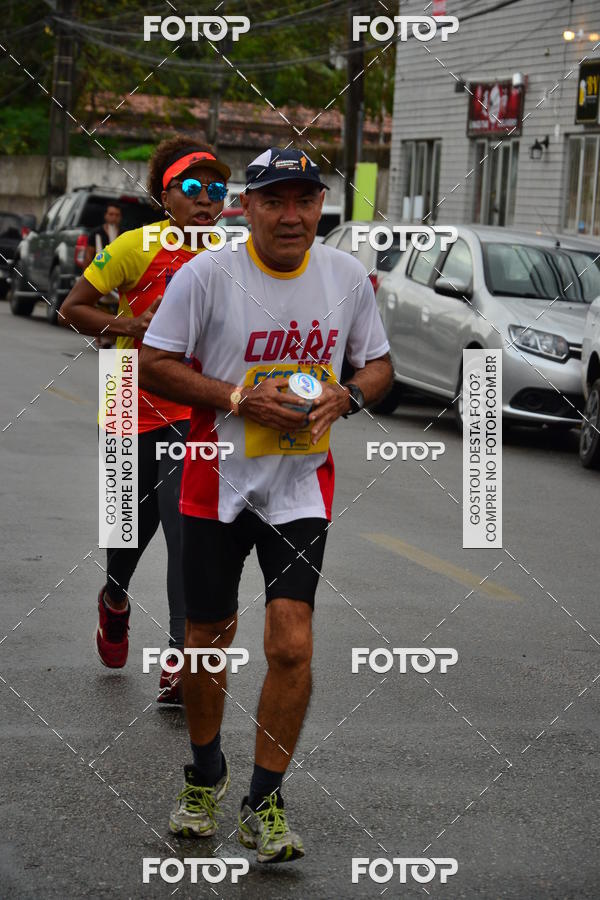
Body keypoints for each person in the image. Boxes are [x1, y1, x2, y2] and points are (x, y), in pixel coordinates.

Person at [139, 147, 393, 861]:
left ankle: (265, 799)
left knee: (291, 643)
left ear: (321, 207)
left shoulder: (345, 278)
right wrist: (234, 397)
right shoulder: (207, 275)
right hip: (214, 481)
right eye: (275, 201)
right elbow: (155, 361)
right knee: (208, 642)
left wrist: (351, 393)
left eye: (305, 201)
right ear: (245, 206)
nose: (292, 216)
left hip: (299, 487)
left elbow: (378, 363)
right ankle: (204, 775)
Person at [61, 137, 231, 704]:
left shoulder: (231, 254)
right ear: (166, 197)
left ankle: (180, 659)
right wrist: (134, 326)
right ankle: (114, 601)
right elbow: (73, 307)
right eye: (192, 187)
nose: (206, 199)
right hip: (125, 400)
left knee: (186, 532)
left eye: (216, 190)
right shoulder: (135, 247)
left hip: (192, 409)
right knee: (125, 537)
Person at [84, 203, 123, 348]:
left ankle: (109, 337)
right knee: (101, 308)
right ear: (106, 216)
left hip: (118, 279)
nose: (114, 218)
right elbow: (89, 256)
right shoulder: (96, 234)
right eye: (111, 214)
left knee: (116, 309)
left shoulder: (124, 234)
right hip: (100, 277)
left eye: (117, 215)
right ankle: (102, 336)